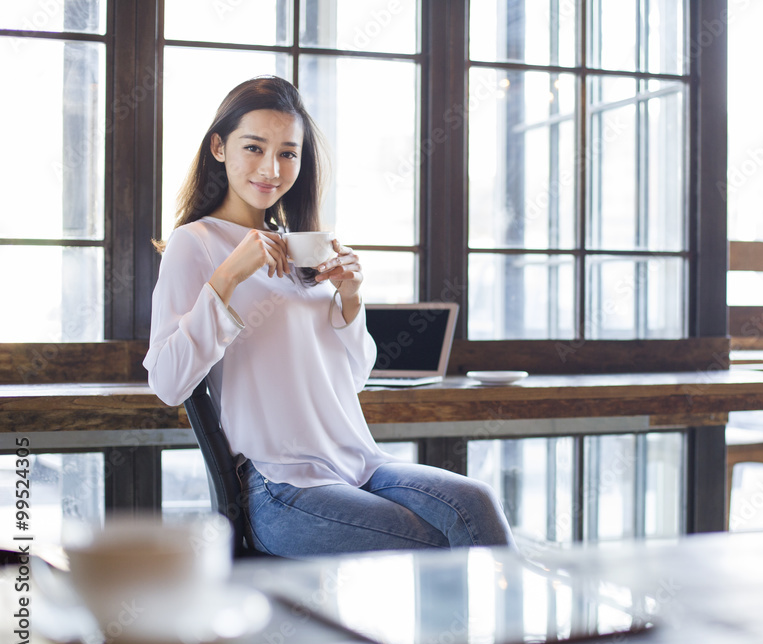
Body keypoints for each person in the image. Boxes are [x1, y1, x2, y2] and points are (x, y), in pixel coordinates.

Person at [144, 76, 514, 556]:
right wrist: (230, 274)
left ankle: (504, 635)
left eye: (288, 153)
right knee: (430, 542)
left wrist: (350, 299)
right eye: (254, 148)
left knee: (476, 503)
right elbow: (168, 382)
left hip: (358, 464)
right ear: (218, 147)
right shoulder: (193, 244)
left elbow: (354, 378)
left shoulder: (302, 248)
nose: (271, 169)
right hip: (281, 484)